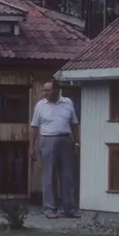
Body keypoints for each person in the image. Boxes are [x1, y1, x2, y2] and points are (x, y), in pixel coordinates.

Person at [29, 79, 80, 219]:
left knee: (68, 175)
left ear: (56, 90)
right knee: (49, 175)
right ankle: (50, 208)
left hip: (66, 139)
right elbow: (34, 126)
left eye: (47, 90)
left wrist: (77, 142)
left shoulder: (68, 103)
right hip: (47, 139)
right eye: (44, 90)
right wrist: (32, 145)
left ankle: (70, 208)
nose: (44, 93)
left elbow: (74, 123)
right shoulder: (40, 105)